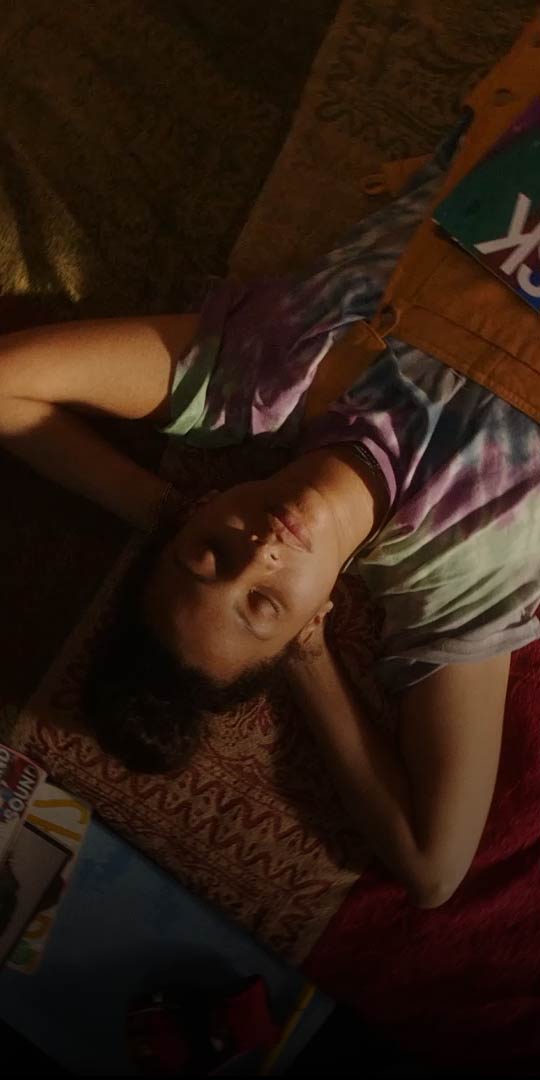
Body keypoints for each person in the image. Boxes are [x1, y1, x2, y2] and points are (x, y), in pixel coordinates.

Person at [1, 129, 539, 912]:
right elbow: (433, 868)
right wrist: (310, 660)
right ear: (311, 619)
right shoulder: (458, 574)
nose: (257, 554)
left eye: (207, 554)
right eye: (263, 605)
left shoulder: (261, 372)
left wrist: (159, 510)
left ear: (205, 508)